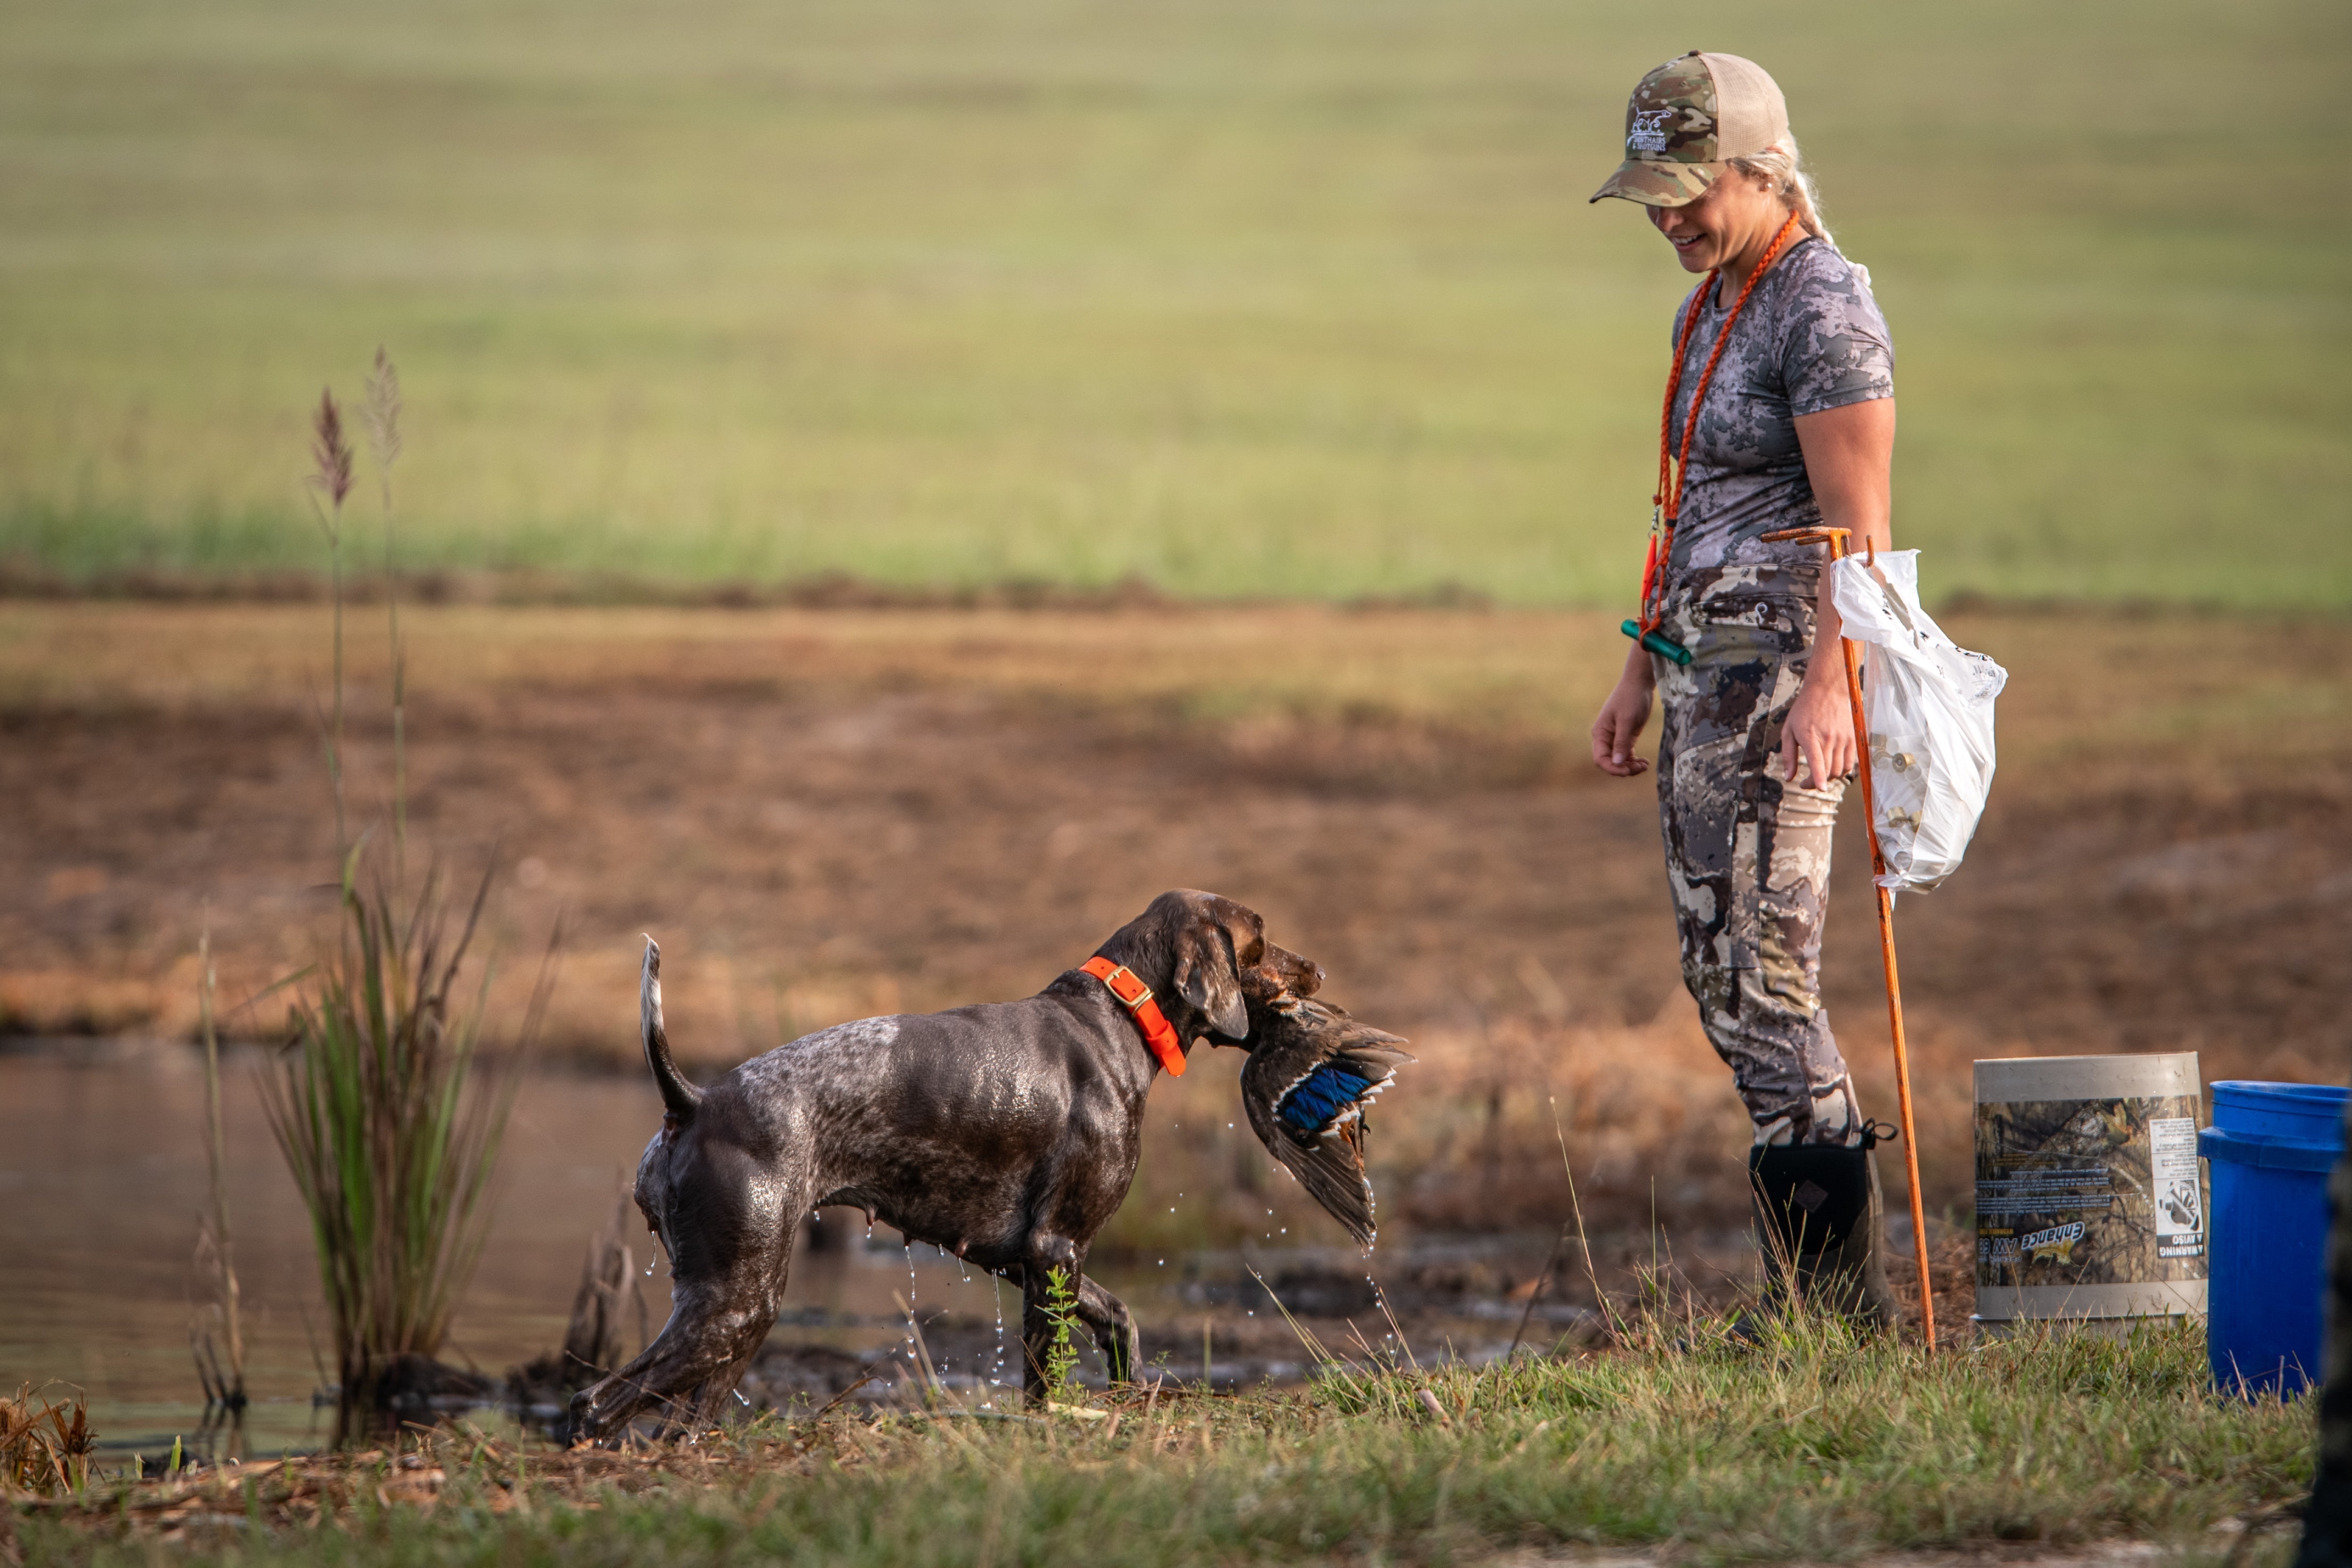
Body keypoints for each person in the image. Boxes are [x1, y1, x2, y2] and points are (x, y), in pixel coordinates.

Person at [1586, 51, 1900, 1323]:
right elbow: (1692, 507)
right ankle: (1804, 1299)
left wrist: (1833, 688)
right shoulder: (1711, 301)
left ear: (1758, 171)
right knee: (1717, 975)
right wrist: (1636, 668)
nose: (1666, 220)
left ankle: (1832, 1316)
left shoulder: (1823, 309)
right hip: (1701, 670)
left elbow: (1859, 530)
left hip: (1781, 678)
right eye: (1651, 198)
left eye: (1685, 194)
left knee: (1766, 976)